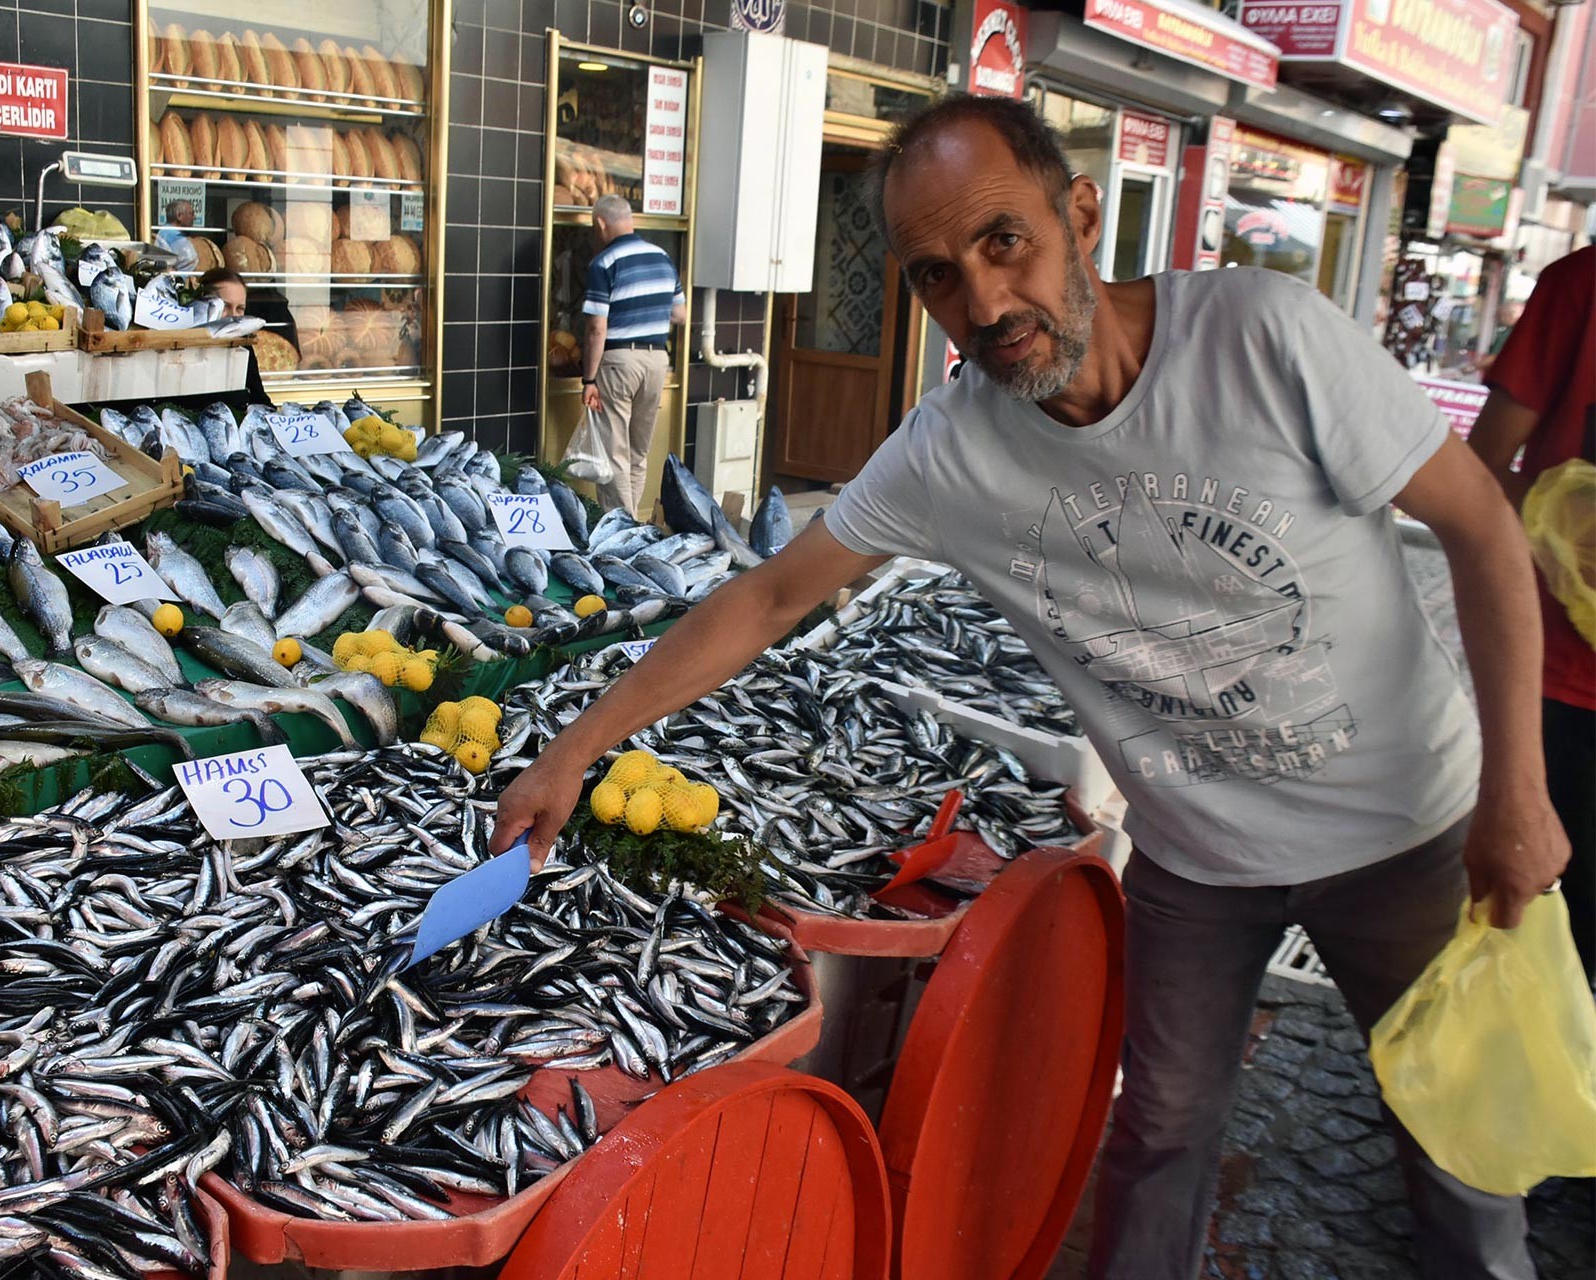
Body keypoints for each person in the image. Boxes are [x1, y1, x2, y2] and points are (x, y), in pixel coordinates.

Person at [494, 95, 1568, 1280]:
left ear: (1081, 212)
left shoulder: (1269, 336)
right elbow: (767, 597)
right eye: (939, 275)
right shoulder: (951, 451)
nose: (988, 304)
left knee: (1459, 1145)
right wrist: (575, 749)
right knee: (1155, 1134)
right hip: (1197, 860)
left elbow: (1483, 532)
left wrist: (1517, 790)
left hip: (1410, 828)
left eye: (1006, 241)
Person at [1468, 245, 1595, 980]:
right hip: (1569, 690)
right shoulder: (1580, 287)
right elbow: (1477, 469)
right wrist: (1566, 522)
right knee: (1561, 938)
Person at [579, 194, 687, 513]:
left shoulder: (604, 263)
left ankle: (621, 532)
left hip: (619, 361)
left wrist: (588, 379)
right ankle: (631, 524)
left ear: (601, 223)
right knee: (638, 453)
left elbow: (597, 328)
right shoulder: (661, 257)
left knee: (615, 453)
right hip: (657, 361)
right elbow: (680, 314)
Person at [197, 267, 269, 403]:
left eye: (240, 309)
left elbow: (259, 399)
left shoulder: (243, 347)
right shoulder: (181, 346)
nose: (233, 316)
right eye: (225, 307)